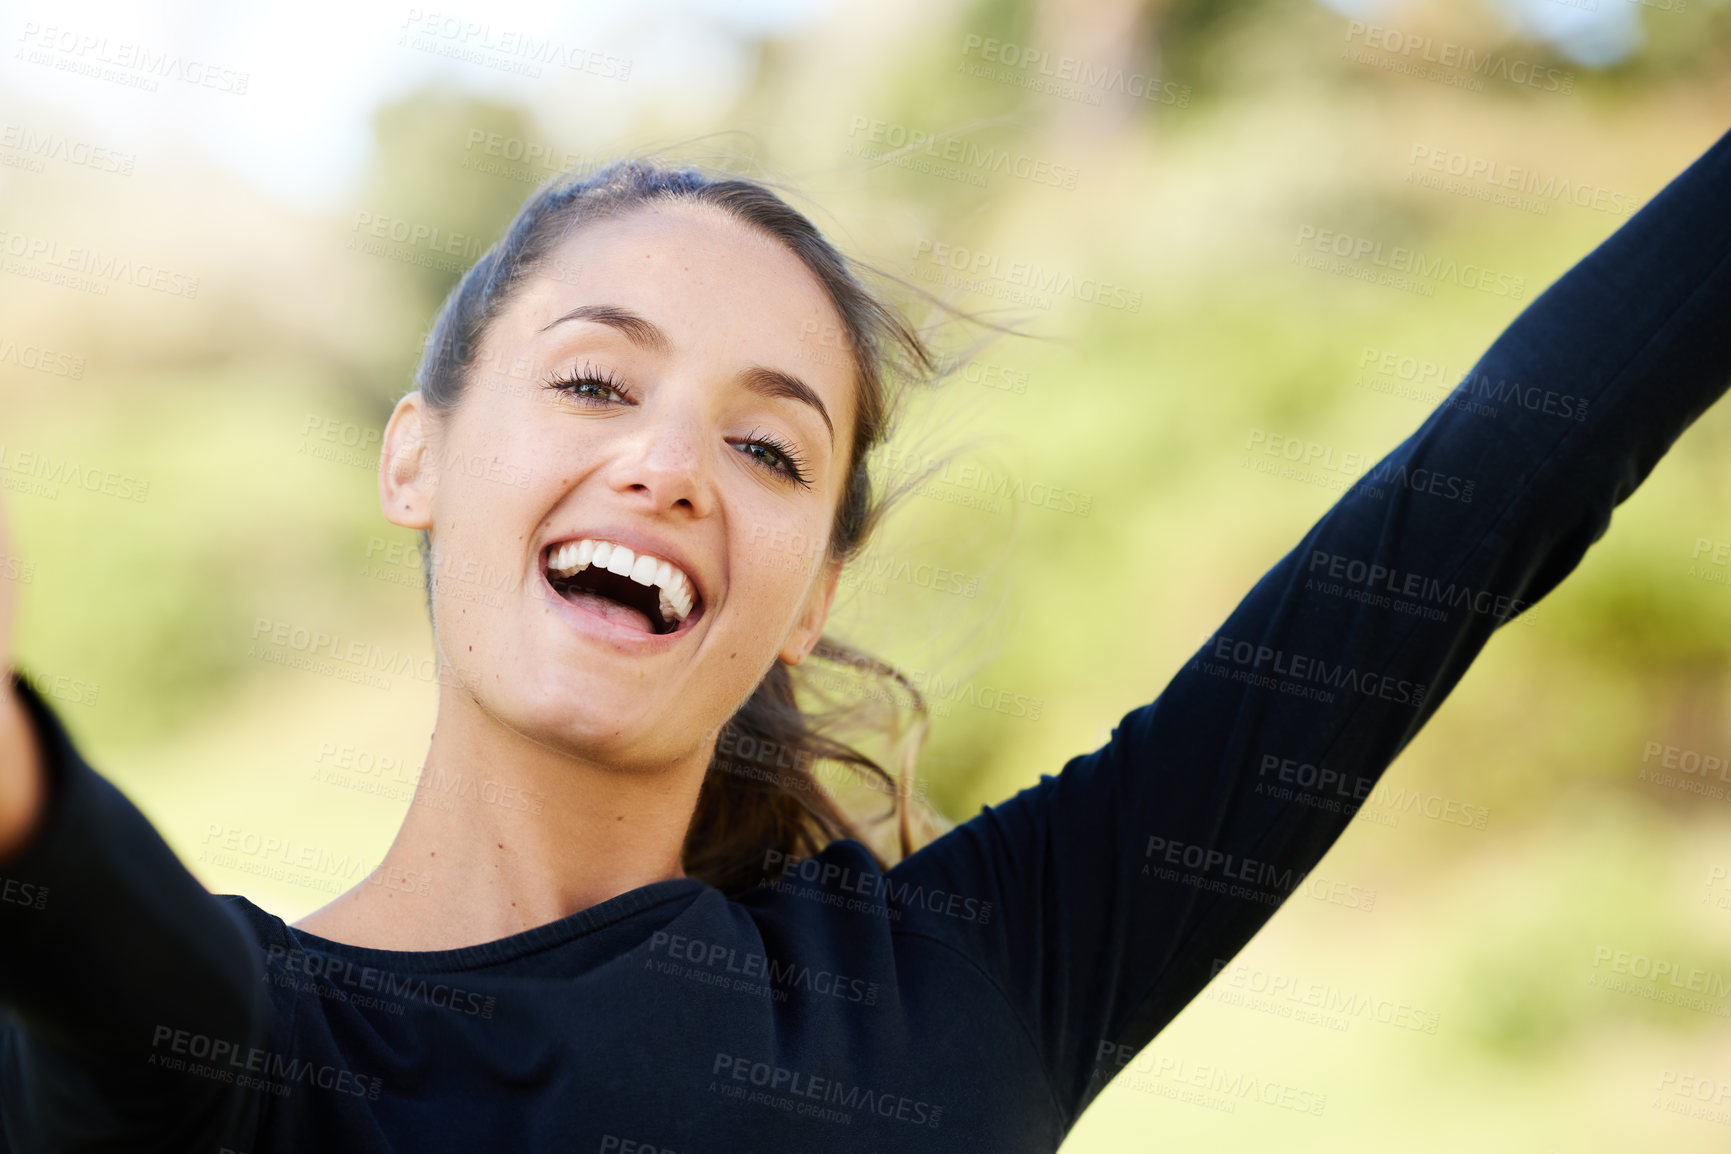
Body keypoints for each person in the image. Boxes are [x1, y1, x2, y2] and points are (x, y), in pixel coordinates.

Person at [2, 123, 1730, 1152]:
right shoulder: (250, 1070)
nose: (670, 463)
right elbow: (97, 941)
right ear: (419, 455)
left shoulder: (987, 971)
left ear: (815, 586)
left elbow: (1491, 485)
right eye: (596, 380)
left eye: (768, 448)